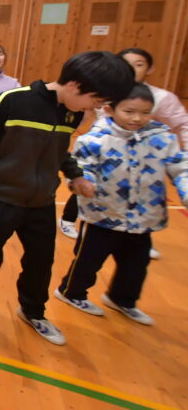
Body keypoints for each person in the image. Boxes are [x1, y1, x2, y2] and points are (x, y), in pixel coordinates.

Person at [0, 51, 134, 346]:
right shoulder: (14, 100)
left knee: (41, 261)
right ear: (74, 85)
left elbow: (60, 151)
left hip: (41, 201)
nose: (94, 108)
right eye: (95, 101)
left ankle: (33, 311)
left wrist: (75, 175)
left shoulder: (72, 111)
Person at [54, 83, 188, 326]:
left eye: (145, 112)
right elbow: (81, 168)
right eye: (129, 111)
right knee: (87, 261)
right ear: (109, 109)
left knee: (136, 265)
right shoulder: (95, 139)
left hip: (142, 218)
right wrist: (83, 183)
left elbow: (181, 168)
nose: (137, 118)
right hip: (102, 215)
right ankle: (71, 292)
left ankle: (122, 299)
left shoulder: (162, 139)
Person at [58, 48, 188, 259]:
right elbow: (82, 115)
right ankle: (69, 219)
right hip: (103, 197)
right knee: (88, 184)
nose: (136, 117)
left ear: (150, 68)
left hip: (143, 179)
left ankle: (135, 233)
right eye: (129, 111)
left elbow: (182, 131)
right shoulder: (98, 124)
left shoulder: (161, 103)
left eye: (139, 64)